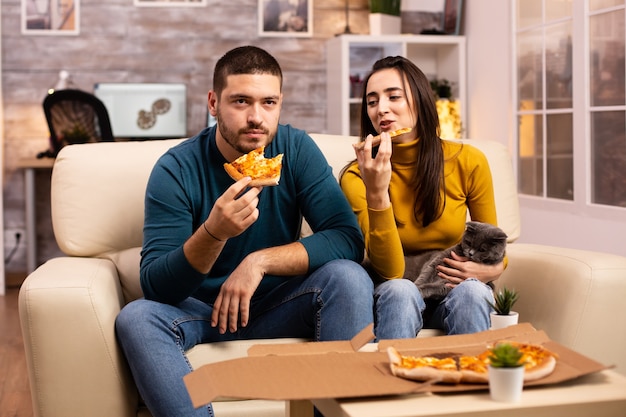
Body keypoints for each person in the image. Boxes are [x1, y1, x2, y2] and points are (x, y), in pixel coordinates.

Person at [115, 45, 374, 417]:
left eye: (269, 102)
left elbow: (347, 238)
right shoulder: (176, 169)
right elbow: (156, 284)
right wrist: (213, 233)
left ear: (281, 104)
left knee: (348, 277)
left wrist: (259, 262)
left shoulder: (295, 150)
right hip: (202, 313)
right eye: (240, 101)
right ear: (213, 103)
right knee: (137, 318)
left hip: (277, 306)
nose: (256, 118)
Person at [340, 56, 504, 339]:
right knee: (401, 290)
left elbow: (493, 246)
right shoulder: (356, 175)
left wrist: (493, 269)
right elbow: (390, 272)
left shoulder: (468, 161)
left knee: (474, 292)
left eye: (394, 97)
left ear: (420, 99)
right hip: (393, 292)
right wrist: (377, 191)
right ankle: (396, 383)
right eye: (372, 101)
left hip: (450, 289)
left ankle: (472, 379)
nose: (382, 109)